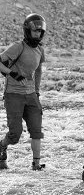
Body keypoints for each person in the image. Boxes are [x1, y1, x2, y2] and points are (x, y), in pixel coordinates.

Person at [0, 13, 46, 170]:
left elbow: (39, 70)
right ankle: (2, 146)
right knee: (15, 134)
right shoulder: (18, 47)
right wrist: (11, 73)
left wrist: (37, 91)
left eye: (40, 32)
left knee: (36, 131)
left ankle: (36, 164)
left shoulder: (40, 50)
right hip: (13, 94)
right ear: (27, 31)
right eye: (35, 31)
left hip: (31, 95)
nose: (37, 34)